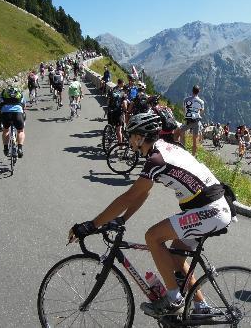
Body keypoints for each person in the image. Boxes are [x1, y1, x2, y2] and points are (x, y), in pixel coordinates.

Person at [68, 112, 235, 317]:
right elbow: (143, 192)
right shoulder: (161, 149)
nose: (129, 140)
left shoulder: (156, 159)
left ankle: (173, 299)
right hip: (211, 207)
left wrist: (91, 225)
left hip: (210, 210)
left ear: (139, 138)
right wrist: (122, 219)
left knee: (152, 237)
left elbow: (129, 196)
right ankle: (202, 307)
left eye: (130, 136)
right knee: (175, 257)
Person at [176, 85, 204, 156]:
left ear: (192, 91)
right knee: (195, 139)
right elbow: (201, 112)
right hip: (196, 122)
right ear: (199, 92)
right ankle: (193, 156)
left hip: (188, 121)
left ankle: (183, 150)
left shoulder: (186, 100)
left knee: (180, 131)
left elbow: (184, 109)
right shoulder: (201, 102)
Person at [0, 86, 26, 158]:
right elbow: (24, 105)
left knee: (6, 130)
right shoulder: (20, 94)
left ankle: (6, 148)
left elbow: (0, 105)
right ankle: (19, 149)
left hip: (5, 114)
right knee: (20, 131)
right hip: (18, 114)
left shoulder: (3, 94)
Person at [107, 79, 128, 144]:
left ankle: (109, 136)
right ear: (121, 83)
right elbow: (124, 103)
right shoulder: (123, 93)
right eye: (123, 83)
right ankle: (121, 145)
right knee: (119, 130)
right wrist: (125, 111)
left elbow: (108, 101)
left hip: (110, 110)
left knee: (110, 124)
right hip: (118, 112)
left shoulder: (112, 90)